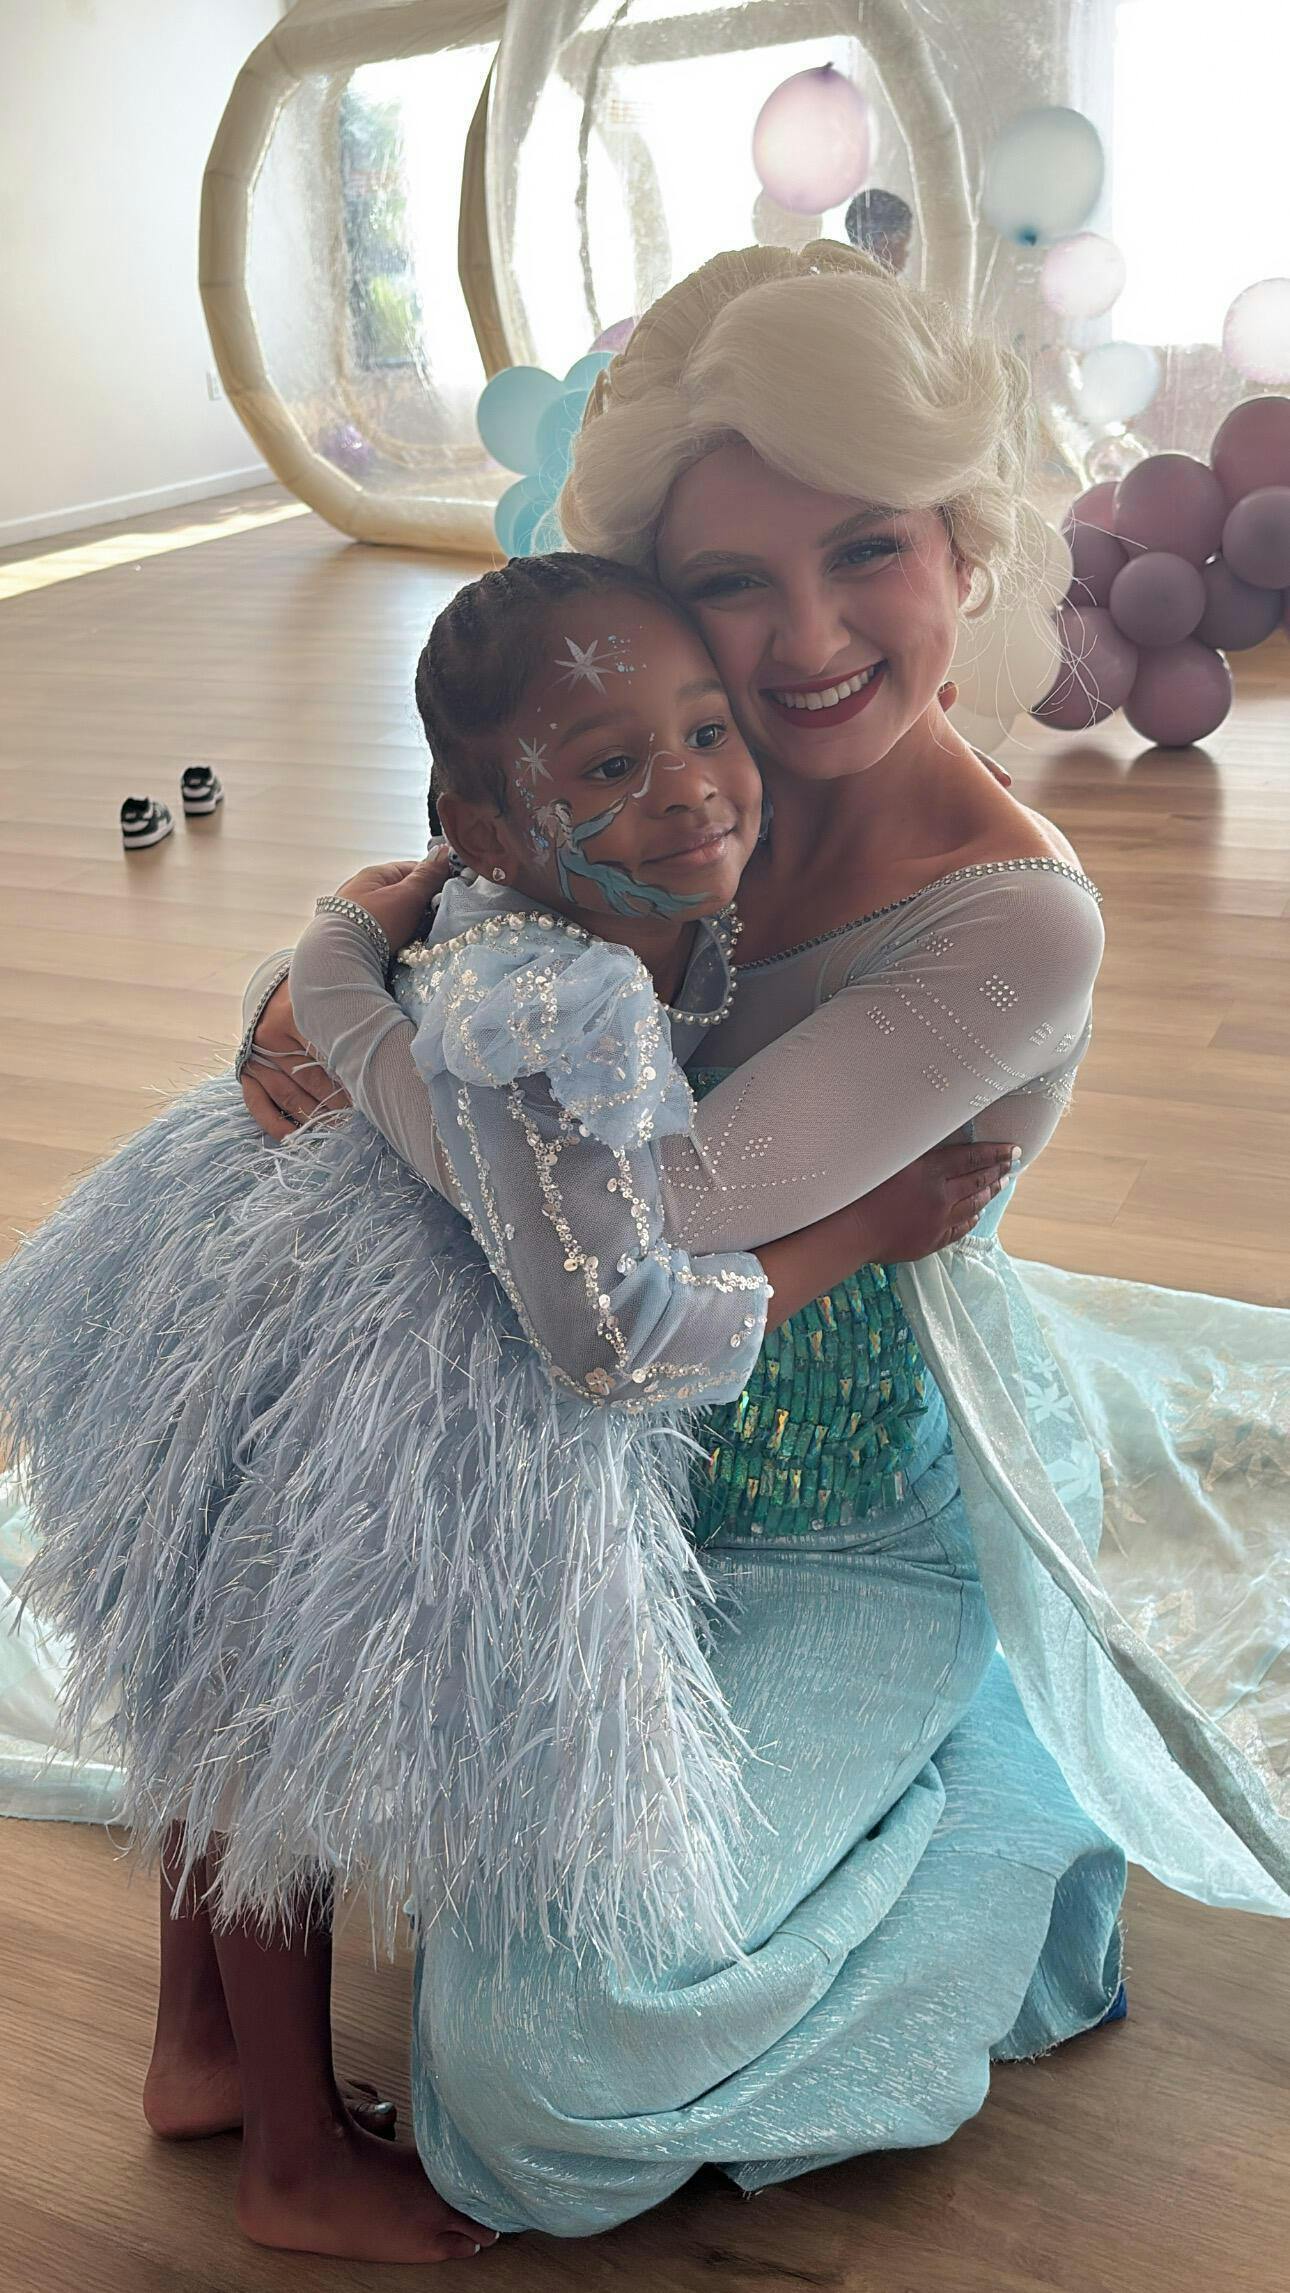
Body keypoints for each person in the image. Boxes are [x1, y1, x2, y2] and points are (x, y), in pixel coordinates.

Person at [240, 242, 1288, 2239]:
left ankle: (1013, 1829)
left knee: (527, 2093)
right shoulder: (691, 770)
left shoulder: (1014, 920)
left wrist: (341, 998)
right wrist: (348, 938)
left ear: (968, 546)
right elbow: (468, 906)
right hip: (581, 1484)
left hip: (837, 1527)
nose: (805, 641)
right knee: (300, 1761)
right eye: (733, 580)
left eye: (867, 548)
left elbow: (632, 1212)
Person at [0, 549, 1014, 2263]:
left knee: (215, 1678)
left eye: (706, 730)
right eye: (610, 764)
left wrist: (346, 940)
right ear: (484, 824)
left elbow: (381, 998)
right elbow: (608, 1338)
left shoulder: (520, 908)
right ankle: (290, 2156)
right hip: (371, 1350)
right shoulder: (558, 1008)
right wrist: (868, 1224)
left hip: (255, 1262)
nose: (685, 785)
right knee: (273, 1729)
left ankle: (199, 2047)